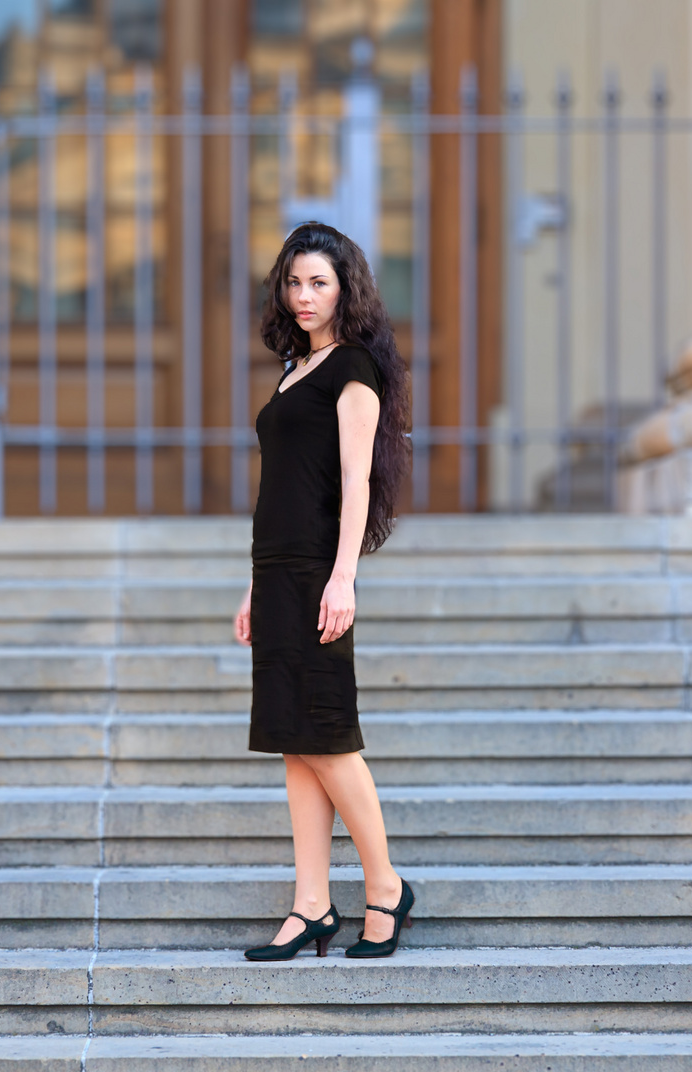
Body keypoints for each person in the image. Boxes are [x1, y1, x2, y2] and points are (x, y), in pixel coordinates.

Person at [233, 222, 414, 961]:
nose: (304, 296)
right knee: (293, 743)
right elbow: (279, 486)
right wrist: (252, 585)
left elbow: (355, 482)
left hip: (316, 573)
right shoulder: (291, 371)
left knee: (330, 739)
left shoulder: (352, 374)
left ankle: (387, 888)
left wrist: (343, 577)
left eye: (320, 283)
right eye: (295, 281)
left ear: (347, 290)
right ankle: (311, 904)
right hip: (276, 574)